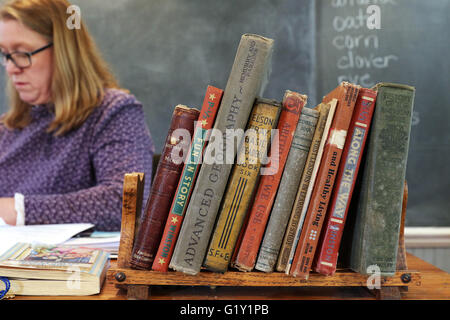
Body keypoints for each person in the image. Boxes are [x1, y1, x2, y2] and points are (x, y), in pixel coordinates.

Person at [0, 0, 154, 231]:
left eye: (22, 53)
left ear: (64, 51)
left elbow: (126, 202)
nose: (11, 68)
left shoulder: (113, 112)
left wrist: (19, 210)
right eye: (5, 54)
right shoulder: (7, 128)